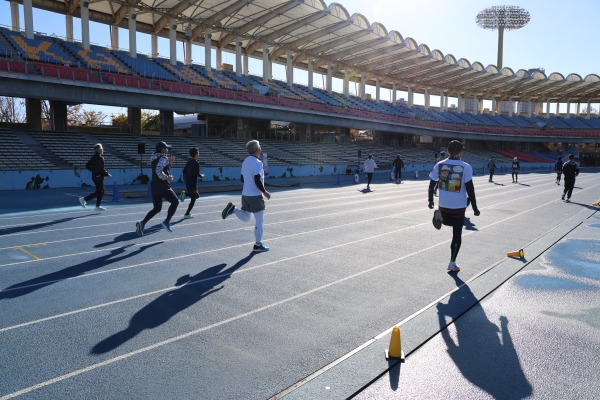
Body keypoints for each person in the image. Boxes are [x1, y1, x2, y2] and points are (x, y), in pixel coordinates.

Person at [428, 140, 480, 272]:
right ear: (461, 152)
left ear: (447, 151)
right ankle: (452, 262)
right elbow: (470, 189)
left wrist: (430, 200)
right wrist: (474, 208)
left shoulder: (439, 165)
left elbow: (432, 184)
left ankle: (441, 218)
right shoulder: (466, 167)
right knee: (457, 234)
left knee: (447, 220)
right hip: (459, 206)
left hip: (443, 204)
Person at [221, 140, 271, 252]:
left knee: (247, 217)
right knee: (259, 220)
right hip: (255, 195)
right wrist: (264, 192)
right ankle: (258, 245)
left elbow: (242, 178)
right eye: (260, 148)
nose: (261, 150)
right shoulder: (258, 163)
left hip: (245, 194)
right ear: (257, 150)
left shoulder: (245, 162)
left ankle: (233, 209)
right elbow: (257, 179)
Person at [136, 141, 178, 236]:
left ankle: (142, 223)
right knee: (175, 202)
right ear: (162, 149)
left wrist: (170, 164)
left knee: (157, 208)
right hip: (162, 185)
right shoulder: (163, 158)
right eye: (166, 148)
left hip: (154, 186)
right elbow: (158, 170)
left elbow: (160, 168)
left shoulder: (154, 157)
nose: (167, 149)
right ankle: (166, 222)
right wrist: (166, 178)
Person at [79, 143, 111, 210]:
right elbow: (102, 169)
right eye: (100, 149)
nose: (102, 150)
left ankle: (97, 206)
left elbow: (87, 165)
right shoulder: (100, 158)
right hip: (98, 177)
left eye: (102, 148)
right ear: (97, 150)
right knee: (99, 192)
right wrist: (107, 174)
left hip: (95, 177)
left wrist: (94, 171)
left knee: (101, 191)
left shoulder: (93, 157)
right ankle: (84, 199)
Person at [181, 147, 205, 219]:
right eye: (198, 153)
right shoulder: (196, 163)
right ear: (196, 154)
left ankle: (185, 194)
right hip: (193, 183)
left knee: (196, 196)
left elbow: (184, 171)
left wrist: (186, 178)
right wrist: (202, 176)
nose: (199, 155)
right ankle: (187, 214)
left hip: (188, 182)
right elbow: (198, 174)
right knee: (193, 198)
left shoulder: (188, 162)